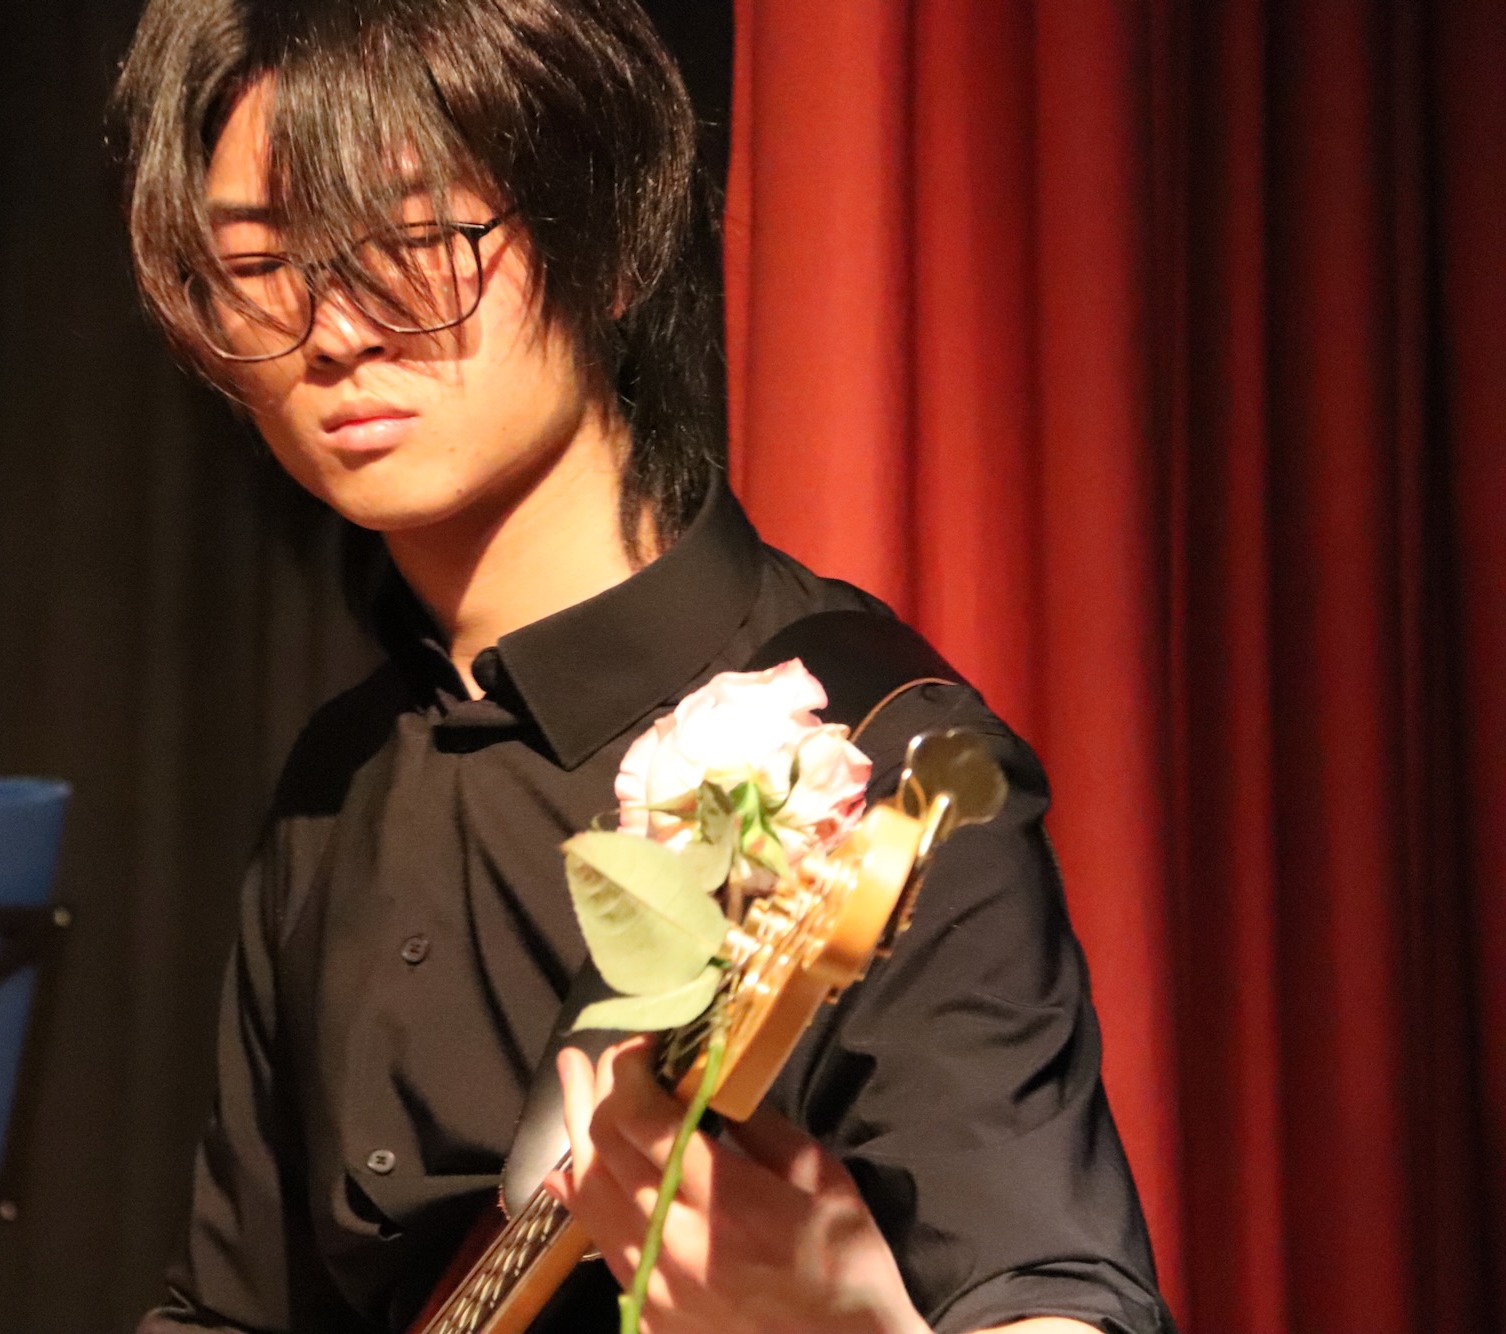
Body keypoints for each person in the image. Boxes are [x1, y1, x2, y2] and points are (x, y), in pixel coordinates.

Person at [116, 2, 1173, 1331]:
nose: (332, 330)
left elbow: (1052, 1292)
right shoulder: (343, 775)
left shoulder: (875, 759)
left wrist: (848, 1324)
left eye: (414, 240)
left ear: (610, 245)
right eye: (261, 262)